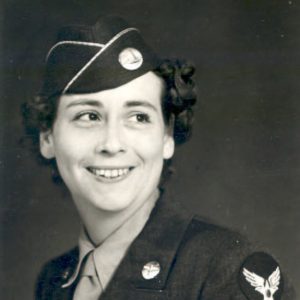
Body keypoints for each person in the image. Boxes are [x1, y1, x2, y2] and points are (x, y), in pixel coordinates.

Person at [22, 15, 295, 300]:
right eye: (88, 116)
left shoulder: (224, 269)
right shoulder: (54, 280)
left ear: (167, 136)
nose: (112, 143)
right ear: (47, 137)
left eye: (139, 117)